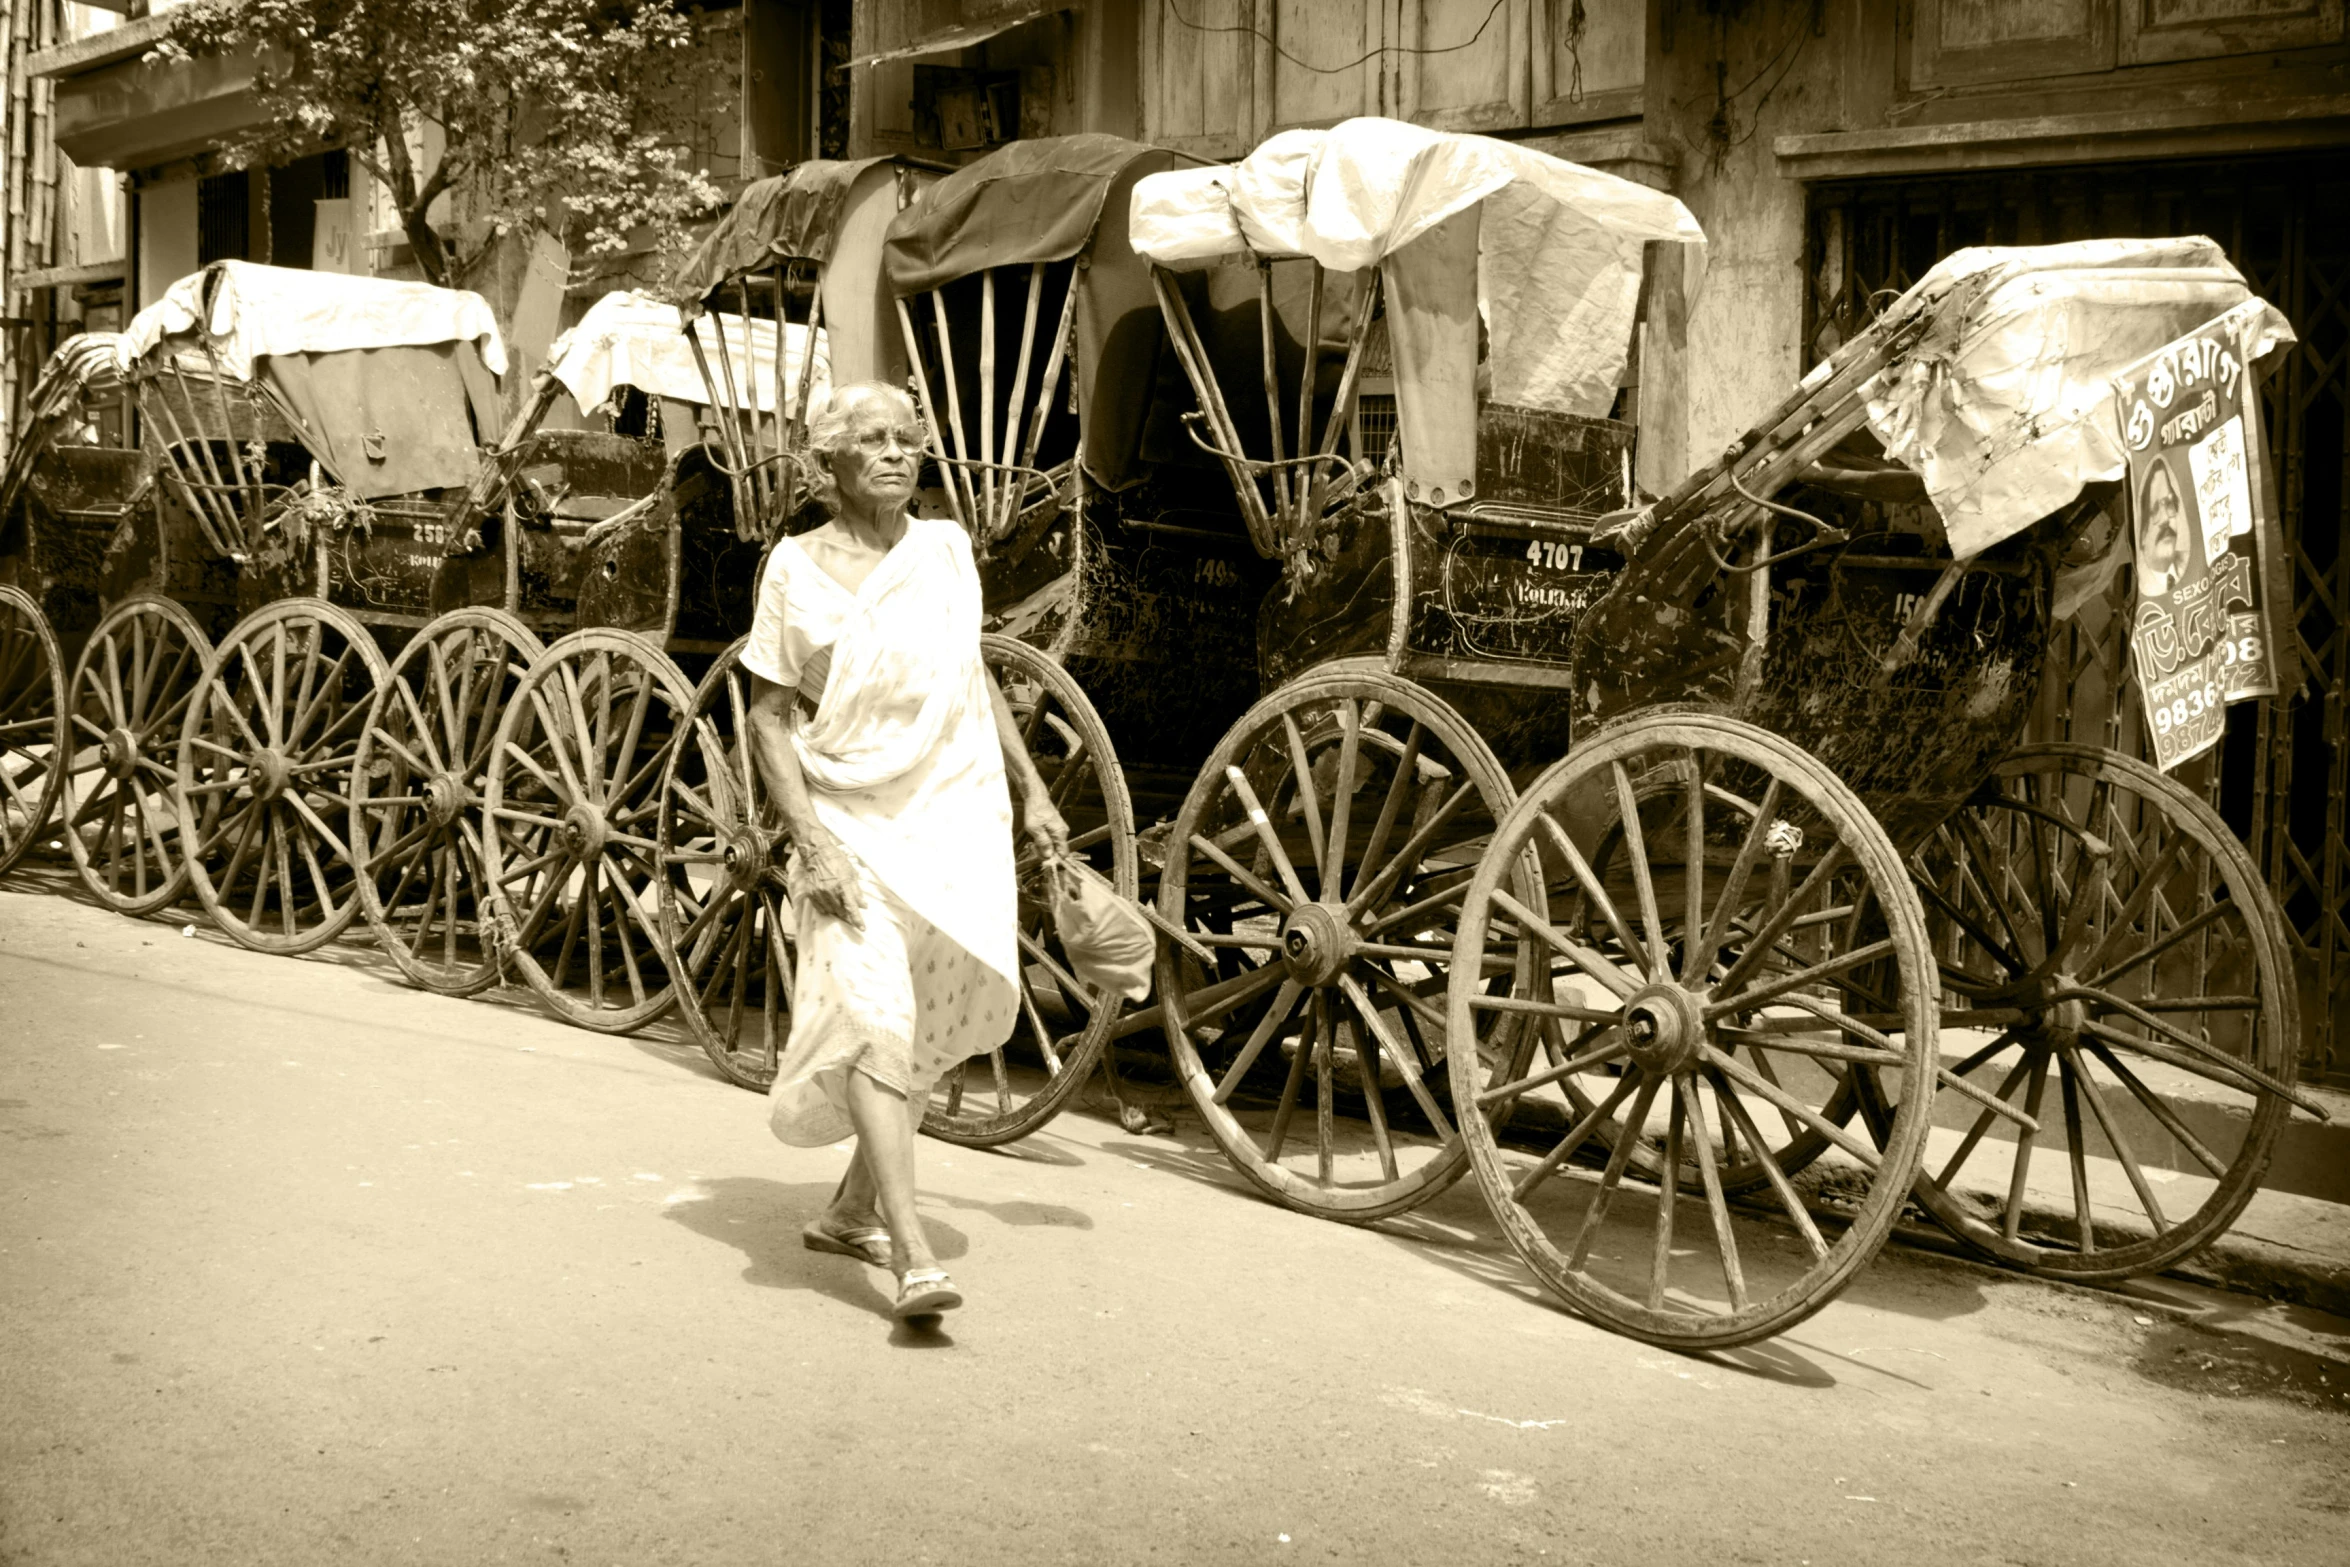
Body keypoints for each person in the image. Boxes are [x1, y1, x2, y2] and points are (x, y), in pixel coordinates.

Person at [740, 380, 1068, 1323]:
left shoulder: (947, 553)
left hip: (946, 821)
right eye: (873, 440)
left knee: (915, 1025)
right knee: (879, 1016)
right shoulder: (794, 570)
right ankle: (913, 1254)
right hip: (843, 818)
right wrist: (811, 844)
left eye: (906, 438)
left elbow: (972, 681)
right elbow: (768, 721)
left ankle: (850, 1211)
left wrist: (1032, 789)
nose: (895, 452)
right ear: (830, 462)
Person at [2135, 457, 2192, 598]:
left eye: (2169, 504)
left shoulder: (2191, 562)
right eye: (2154, 510)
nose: (2166, 518)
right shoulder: (2143, 592)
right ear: (2140, 534)